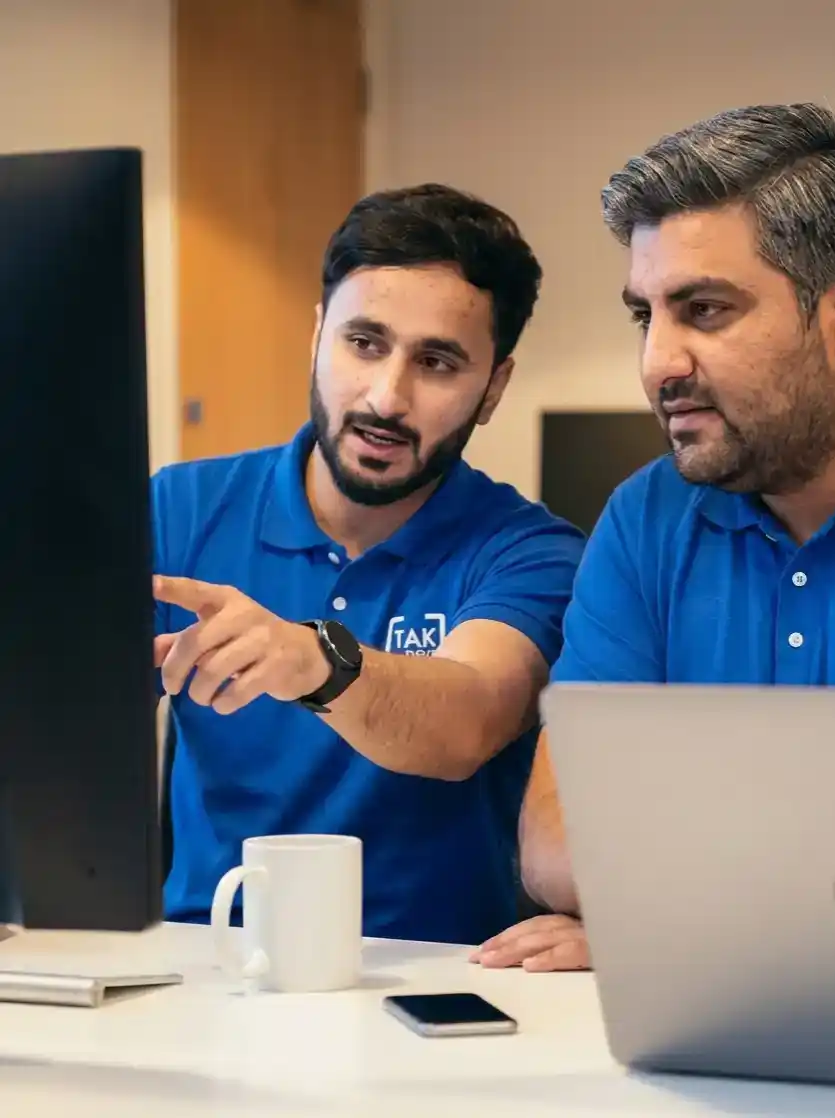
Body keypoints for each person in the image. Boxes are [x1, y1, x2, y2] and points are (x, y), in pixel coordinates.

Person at [471, 102, 835, 973]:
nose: (657, 363)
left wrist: (664, 919)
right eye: (644, 315)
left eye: (705, 310)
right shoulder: (647, 520)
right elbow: (557, 836)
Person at [152, 184, 585, 945]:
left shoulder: (532, 551)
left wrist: (315, 660)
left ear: (494, 389)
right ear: (317, 334)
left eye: (439, 363)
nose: (387, 397)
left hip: (436, 983)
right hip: (203, 965)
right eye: (365, 343)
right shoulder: (178, 510)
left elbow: (469, 718)